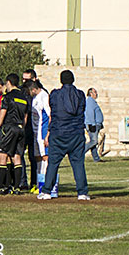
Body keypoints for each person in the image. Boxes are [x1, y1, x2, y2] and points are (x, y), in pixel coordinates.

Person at [41, 70, 89, 200]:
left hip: (58, 133)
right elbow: (81, 110)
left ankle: (46, 191)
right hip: (76, 133)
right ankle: (82, 193)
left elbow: (53, 110)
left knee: (53, 163)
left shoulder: (55, 94)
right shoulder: (80, 95)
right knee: (78, 164)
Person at [0, 74, 28, 194]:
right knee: (16, 157)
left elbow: (2, 114)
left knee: (2, 156)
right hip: (20, 129)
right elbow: (25, 118)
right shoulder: (24, 97)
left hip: (8, 128)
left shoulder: (7, 97)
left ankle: (0, 186)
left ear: (8, 83)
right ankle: (16, 187)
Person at [28, 80, 51, 195]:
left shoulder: (44, 96)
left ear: (33, 89)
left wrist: (47, 133)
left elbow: (49, 115)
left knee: (44, 157)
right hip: (36, 133)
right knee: (37, 157)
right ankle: (38, 183)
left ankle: (44, 185)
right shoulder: (35, 98)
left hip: (42, 132)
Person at [20, 68, 38, 191]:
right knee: (19, 154)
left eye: (27, 79)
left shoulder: (39, 93)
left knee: (34, 157)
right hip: (24, 127)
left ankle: (35, 182)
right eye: (23, 79)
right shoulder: (22, 91)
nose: (24, 82)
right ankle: (22, 181)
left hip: (34, 128)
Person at [84, 87, 105, 162]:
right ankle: (81, 153)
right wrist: (92, 124)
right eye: (95, 92)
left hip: (96, 124)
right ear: (91, 93)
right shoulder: (90, 102)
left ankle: (96, 158)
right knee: (94, 141)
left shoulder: (93, 102)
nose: (96, 94)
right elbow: (89, 113)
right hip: (92, 125)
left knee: (93, 143)